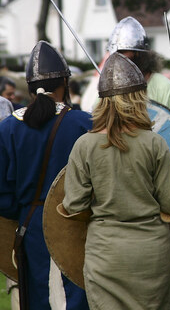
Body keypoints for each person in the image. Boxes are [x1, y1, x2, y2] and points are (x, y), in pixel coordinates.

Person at [61, 52, 170, 310]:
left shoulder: (84, 146)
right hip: (150, 256)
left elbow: (73, 207)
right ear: (138, 97)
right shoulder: (154, 143)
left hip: (105, 256)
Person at [0, 41, 90, 309]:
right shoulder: (85, 124)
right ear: (65, 83)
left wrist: (27, 209)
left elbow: (3, 197)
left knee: (40, 298)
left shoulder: (8, 128)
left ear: (29, 87)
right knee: (77, 296)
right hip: (77, 224)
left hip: (30, 227)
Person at [108, 16, 170, 120]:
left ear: (138, 53)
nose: (120, 59)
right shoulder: (109, 89)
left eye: (123, 52)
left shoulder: (164, 88)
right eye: (116, 53)